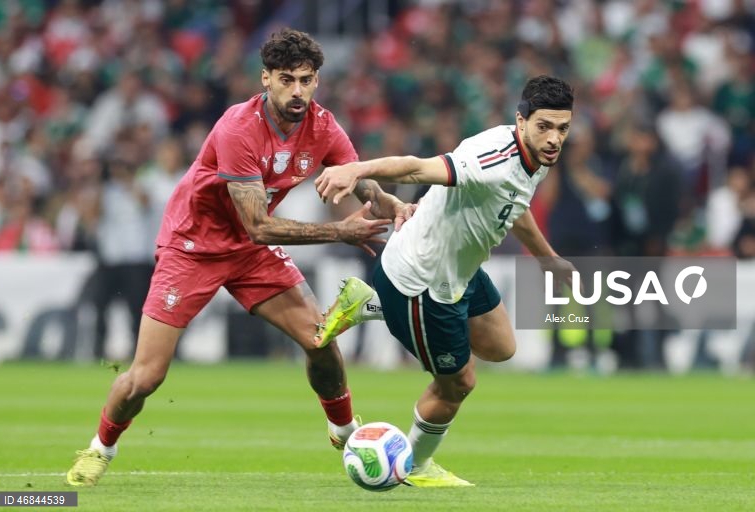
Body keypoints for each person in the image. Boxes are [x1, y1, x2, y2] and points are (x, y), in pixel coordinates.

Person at [66, 28, 414, 487]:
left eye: (306, 80)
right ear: (265, 78)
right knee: (147, 376)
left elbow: (357, 178)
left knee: (319, 340)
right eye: (287, 80)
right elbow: (259, 225)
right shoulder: (238, 127)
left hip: (250, 253)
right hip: (193, 247)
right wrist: (340, 232)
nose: (297, 91)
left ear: (316, 81)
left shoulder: (323, 125)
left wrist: (391, 205)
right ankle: (100, 449)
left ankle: (346, 433)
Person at [314, 75, 577, 487]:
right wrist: (356, 169)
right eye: (544, 126)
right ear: (521, 120)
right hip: (421, 281)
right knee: (458, 383)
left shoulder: (535, 159)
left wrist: (548, 259)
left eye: (562, 128)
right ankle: (414, 467)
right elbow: (418, 167)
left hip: (459, 271)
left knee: (502, 347)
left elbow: (516, 203)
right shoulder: (490, 158)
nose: (554, 138)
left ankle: (371, 303)